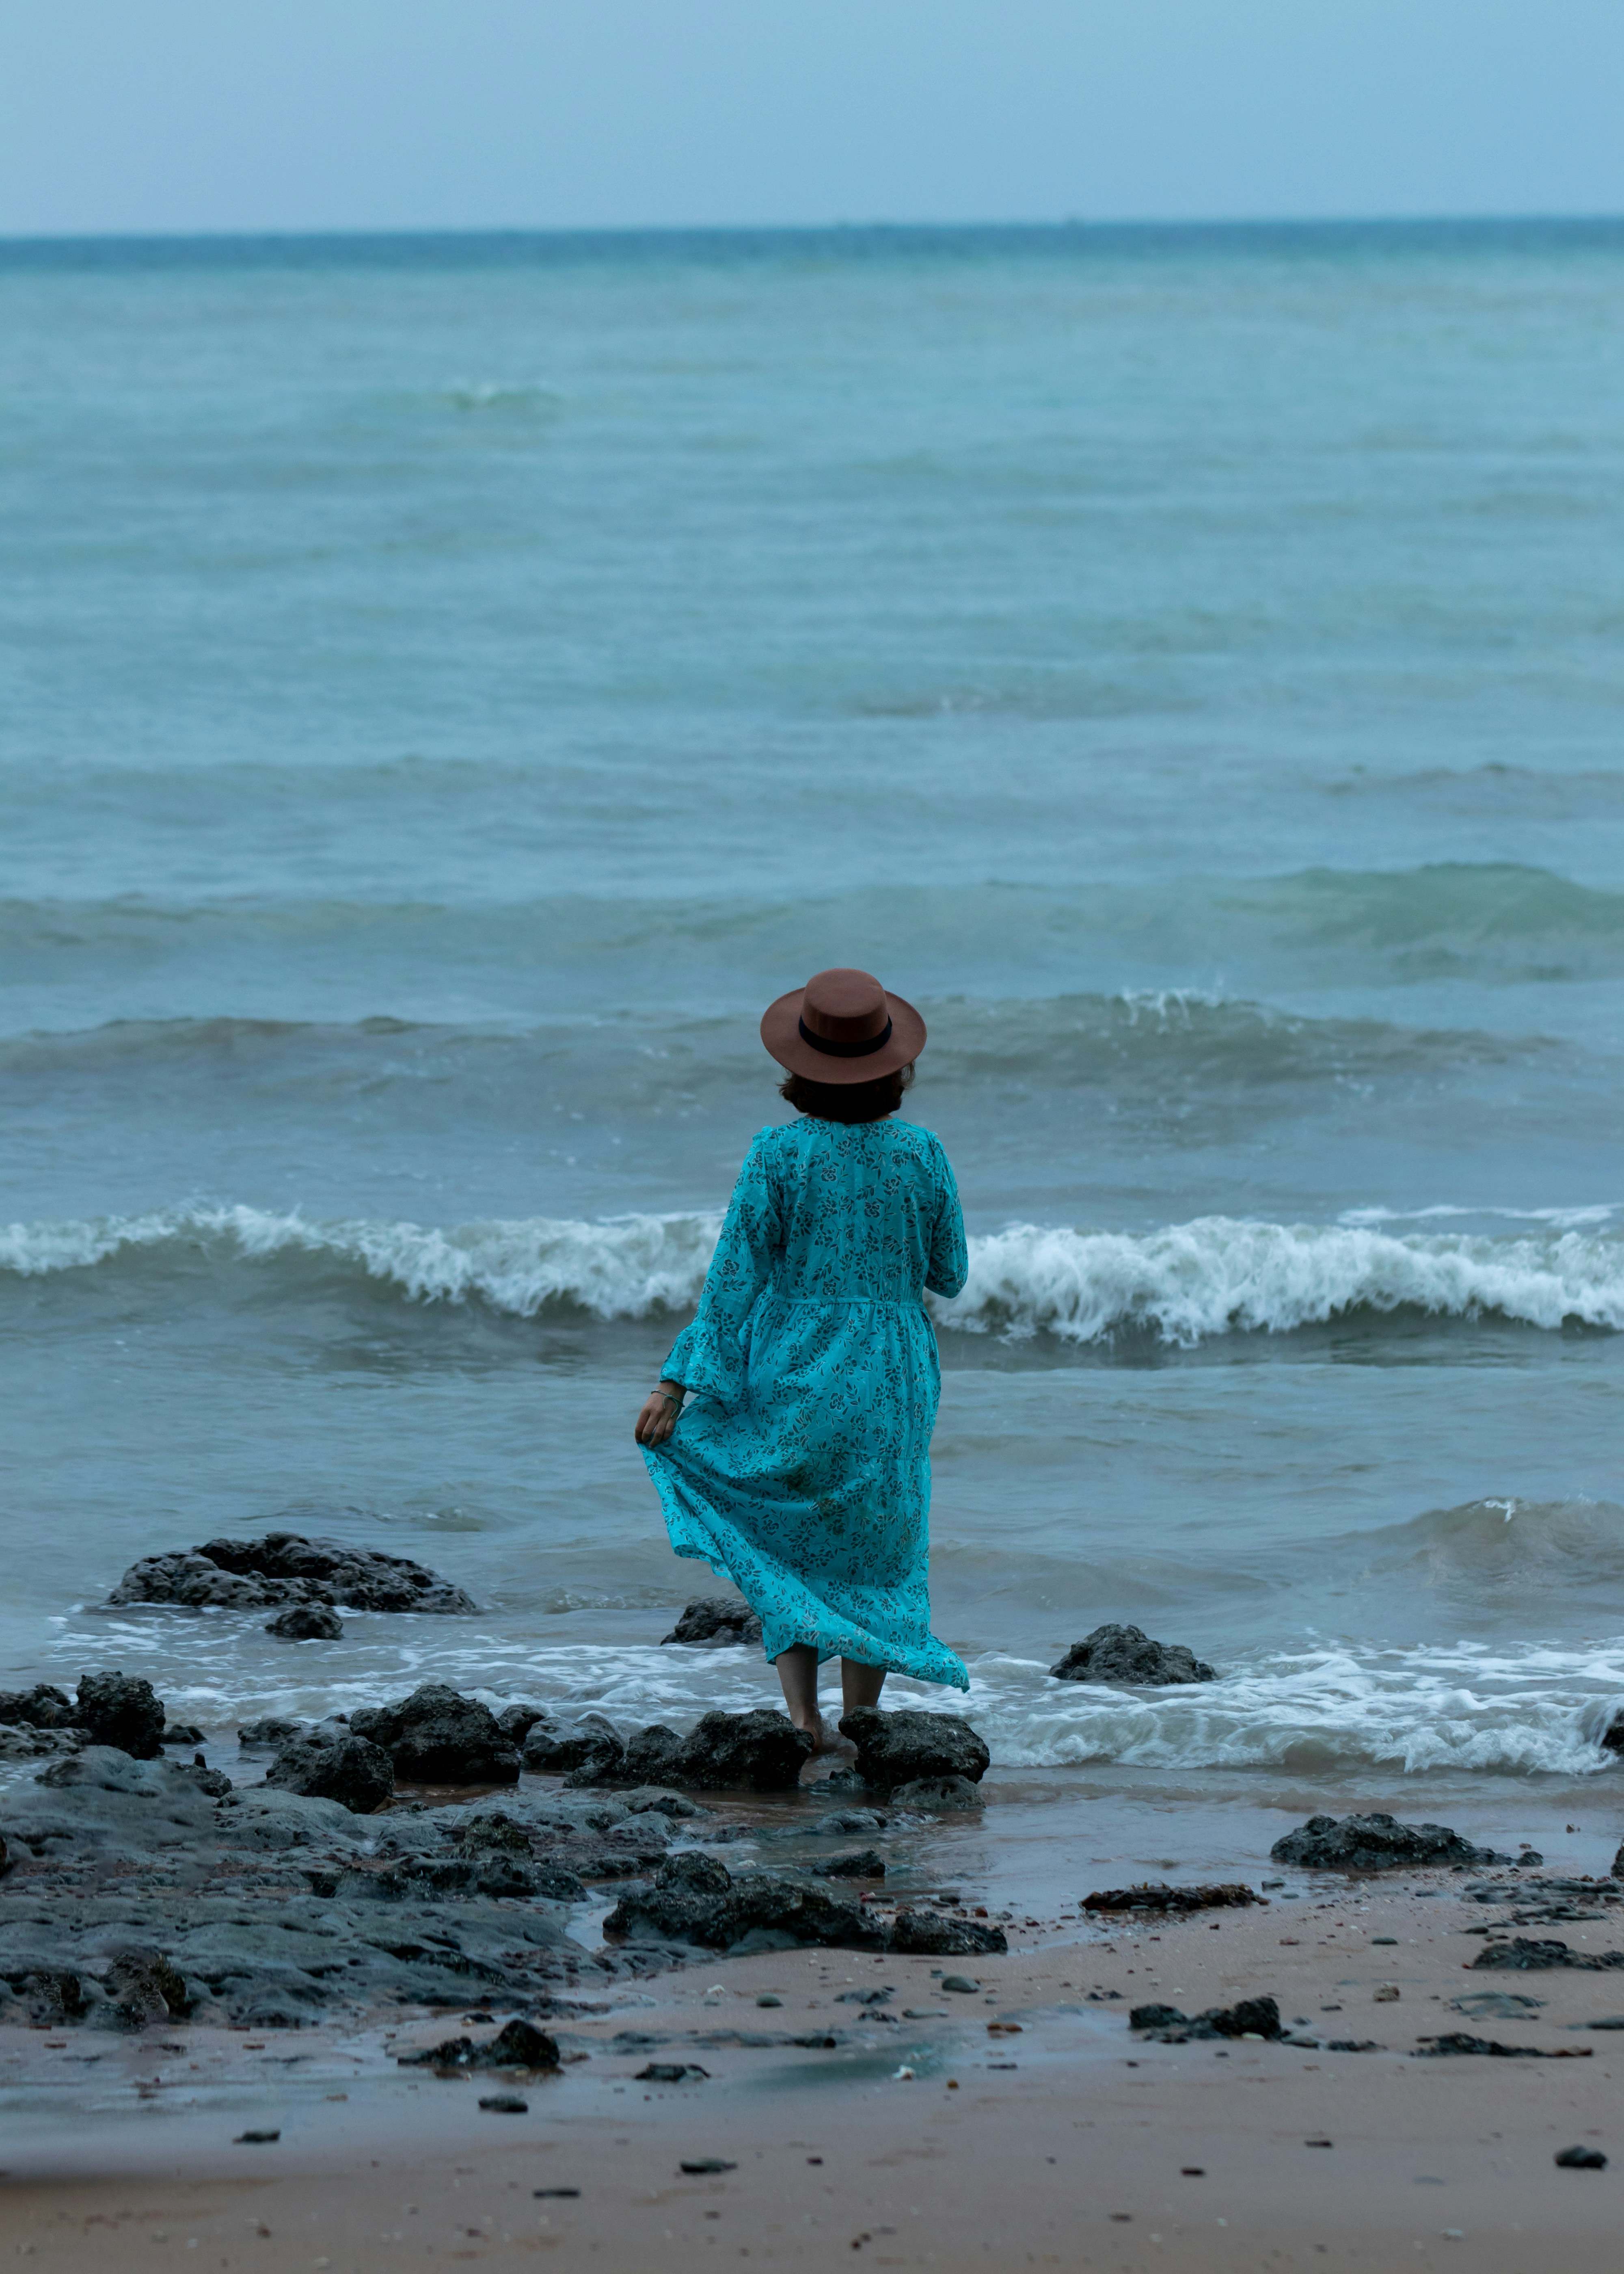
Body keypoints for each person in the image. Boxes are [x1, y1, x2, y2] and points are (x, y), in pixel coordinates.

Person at [634, 966, 970, 1752]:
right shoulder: (922, 1153)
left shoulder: (777, 1153)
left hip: (791, 1360)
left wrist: (676, 1383)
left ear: (801, 1066)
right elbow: (949, 1274)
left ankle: (802, 1719)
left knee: (787, 1534)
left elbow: (733, 1278)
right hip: (890, 1371)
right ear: (894, 1067)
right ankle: (863, 1718)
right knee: (877, 1540)